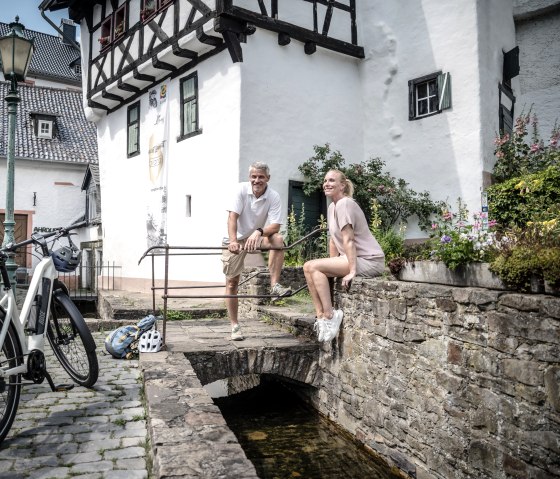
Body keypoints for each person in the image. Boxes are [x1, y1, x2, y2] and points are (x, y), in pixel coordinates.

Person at [303, 169, 385, 342]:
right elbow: (334, 240)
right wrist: (331, 265)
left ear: (342, 185)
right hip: (351, 258)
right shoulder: (333, 206)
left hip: (370, 260)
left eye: (332, 180)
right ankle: (321, 317)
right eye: (325, 180)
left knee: (312, 266)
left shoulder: (345, 204)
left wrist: (353, 271)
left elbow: (349, 240)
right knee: (308, 267)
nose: (326, 183)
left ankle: (330, 315)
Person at [222, 162, 291, 341]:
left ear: (268, 178)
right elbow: (232, 218)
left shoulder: (273, 196)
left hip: (256, 236)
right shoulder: (240, 190)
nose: (257, 180)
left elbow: (275, 225)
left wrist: (258, 232)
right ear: (249, 177)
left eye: (261, 176)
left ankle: (274, 285)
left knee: (278, 240)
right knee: (231, 283)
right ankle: (235, 326)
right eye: (254, 176)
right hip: (235, 238)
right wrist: (233, 241)